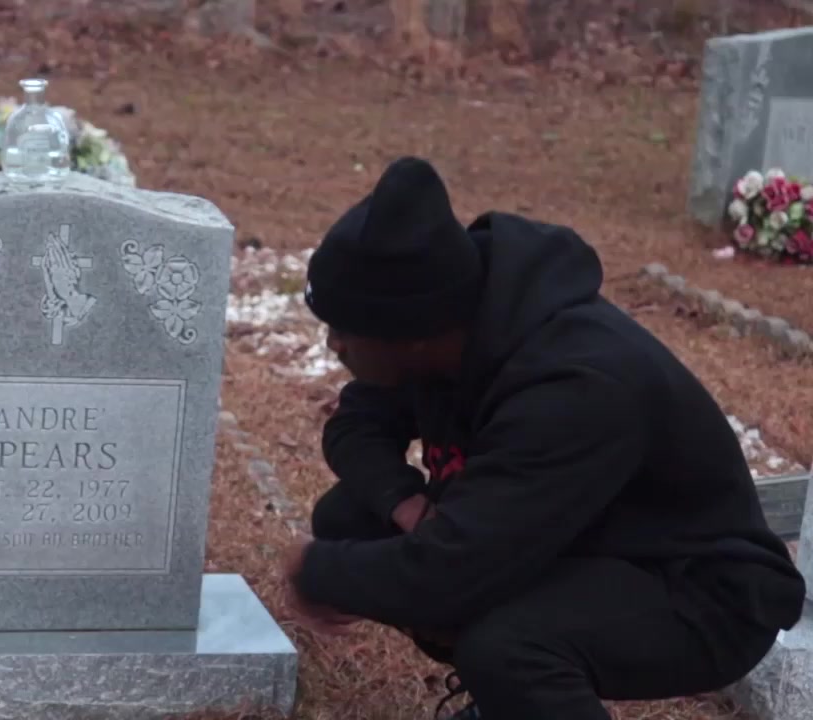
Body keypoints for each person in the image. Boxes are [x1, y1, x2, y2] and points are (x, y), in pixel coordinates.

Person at [282, 156, 807, 720]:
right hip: (582, 544)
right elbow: (356, 425)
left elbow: (452, 570)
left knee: (505, 645)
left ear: (410, 335)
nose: (334, 345)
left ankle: (523, 685)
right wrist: (405, 503)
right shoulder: (448, 322)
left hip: (700, 590)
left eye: (343, 329)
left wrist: (317, 571)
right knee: (352, 518)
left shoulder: (575, 387)